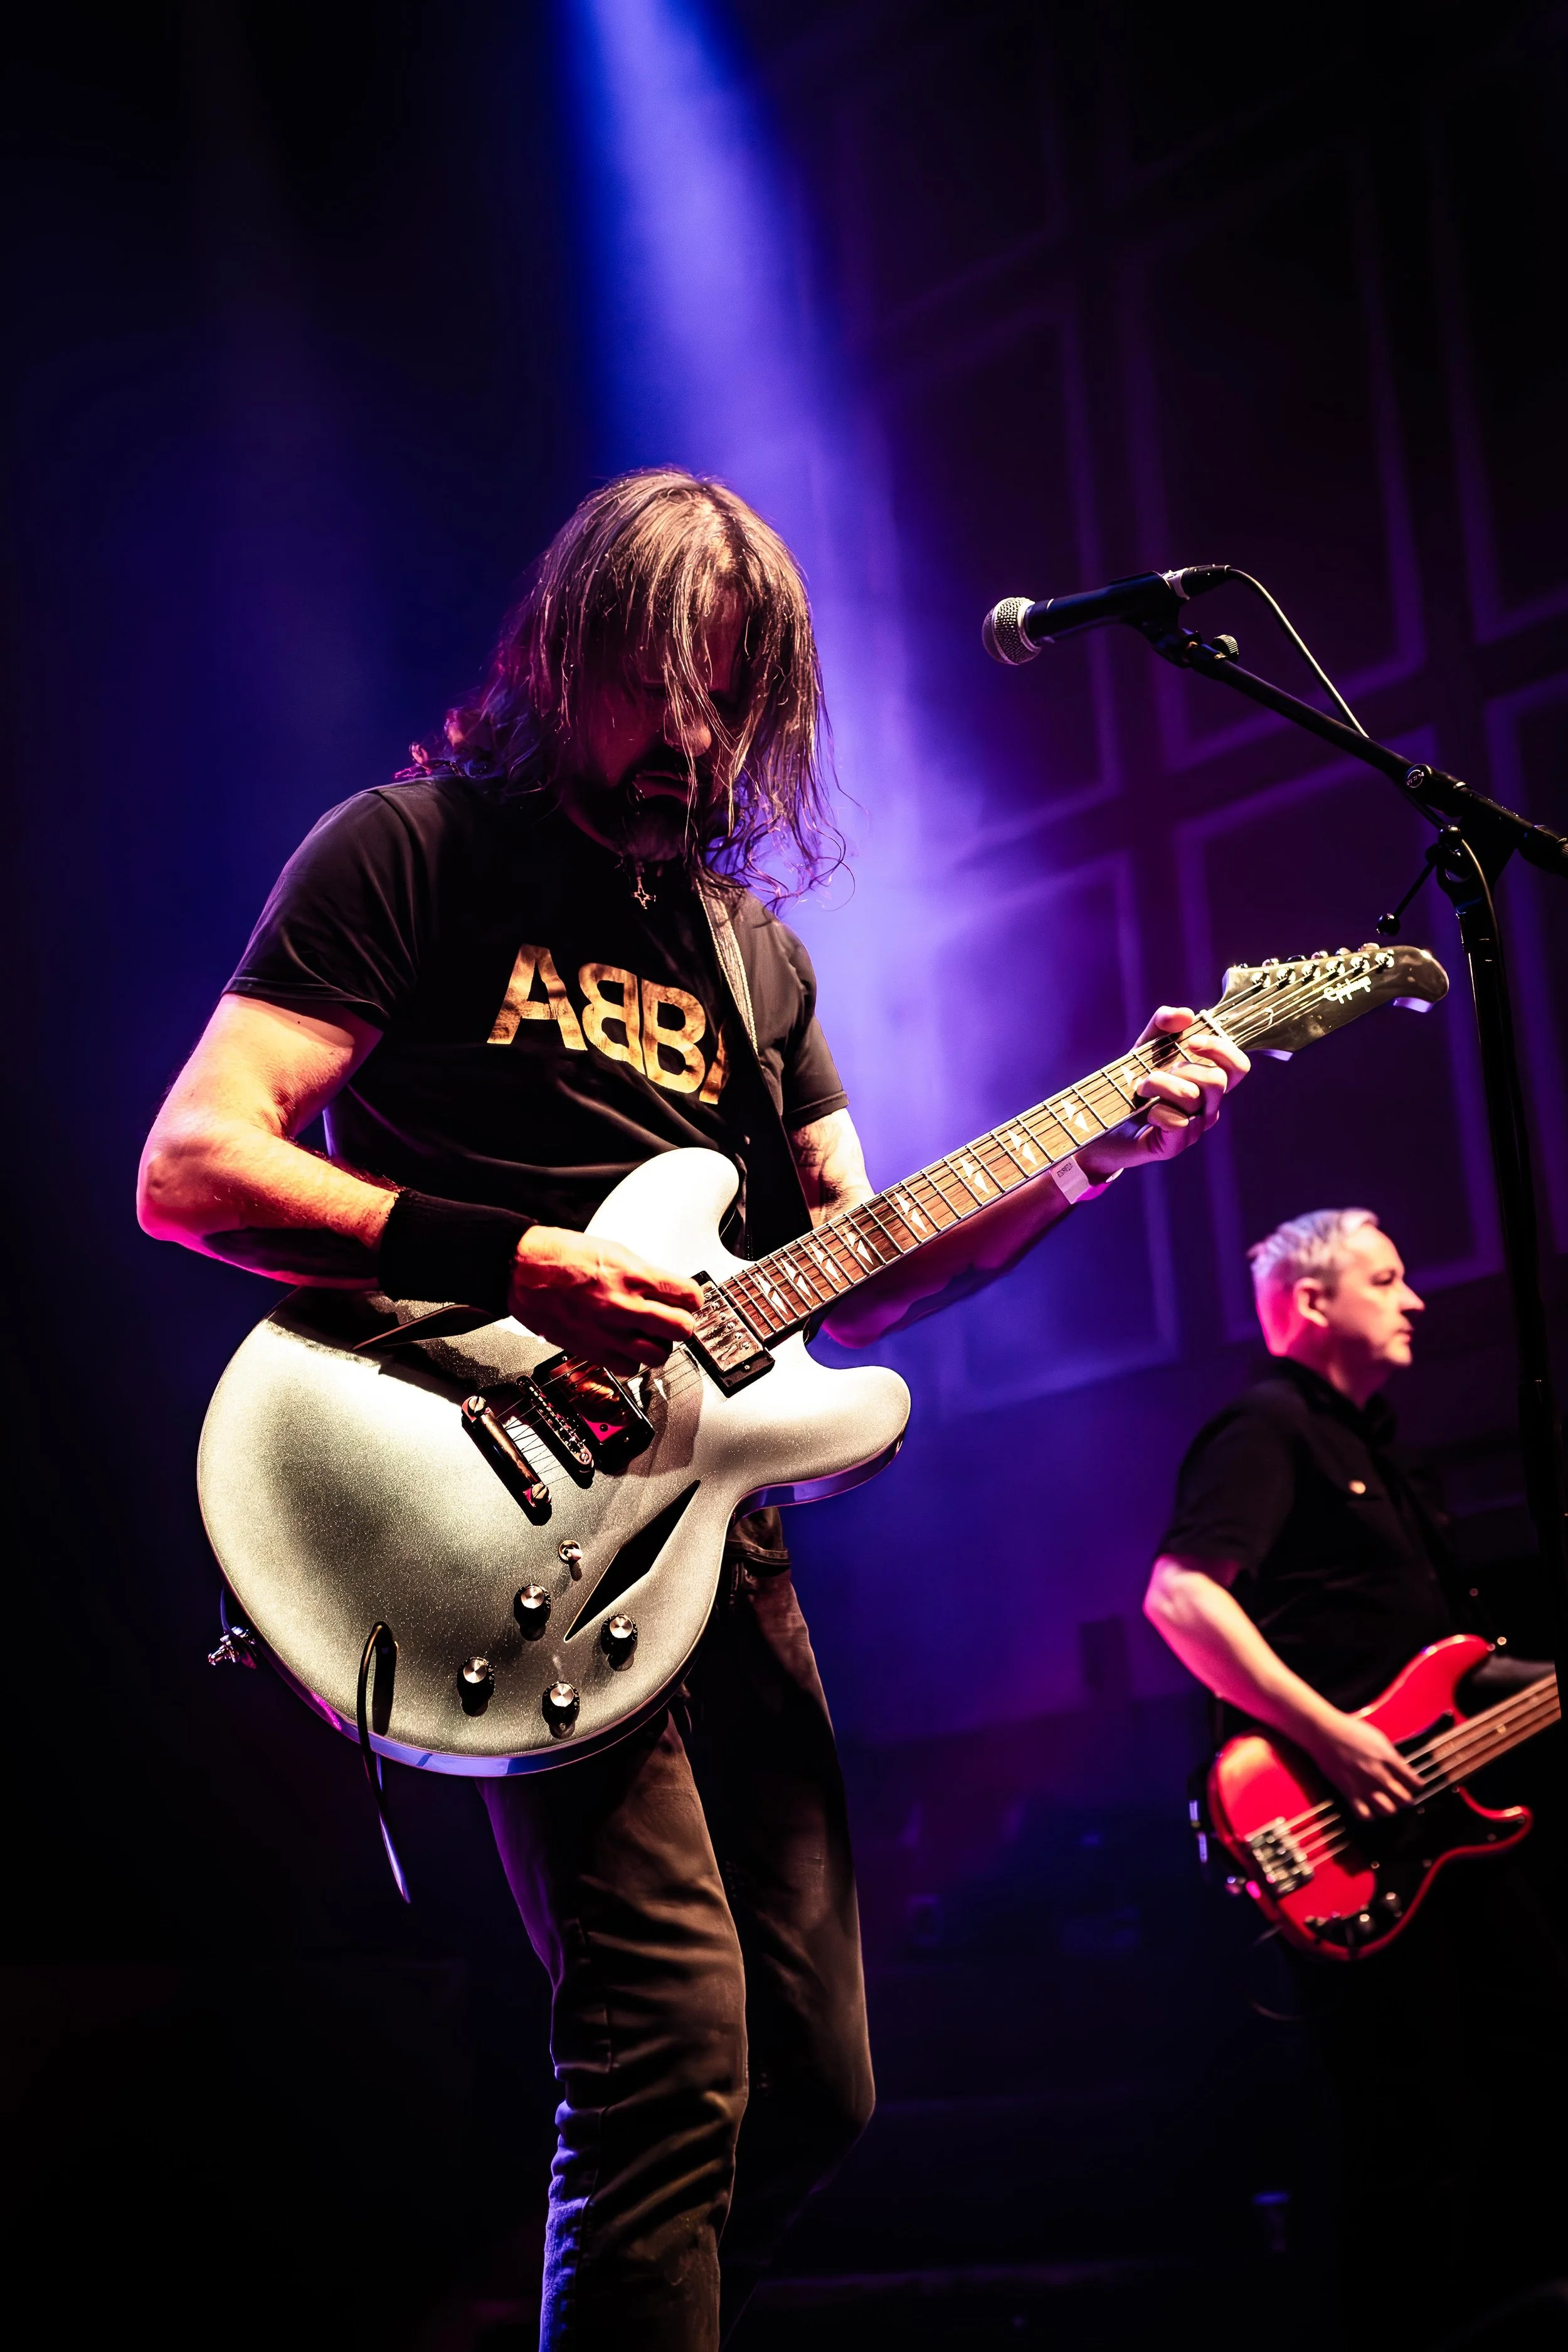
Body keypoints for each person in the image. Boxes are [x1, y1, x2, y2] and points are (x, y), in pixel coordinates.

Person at [139, 468, 1248, 2352]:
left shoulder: (752, 958)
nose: (698, 737)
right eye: (662, 684)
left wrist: (1089, 1158)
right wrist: (513, 1257)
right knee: (665, 2047)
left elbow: (855, 1267)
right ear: (561, 654)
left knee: (816, 2080)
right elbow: (195, 1165)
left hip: (711, 1542)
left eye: (735, 700)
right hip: (487, 1494)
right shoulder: (409, 852)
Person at [1145, 1207, 1567, 2348]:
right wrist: (1332, 1735)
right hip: (1346, 1827)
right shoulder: (1267, 1426)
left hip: (1437, 1821)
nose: (1415, 1297)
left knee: (1525, 2063)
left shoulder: (1384, 1449)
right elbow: (1181, 1595)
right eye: (1386, 1278)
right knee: (1411, 2124)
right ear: (1312, 1301)